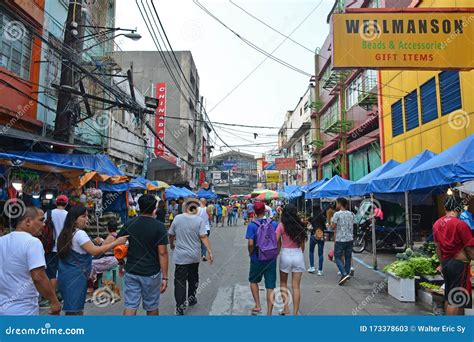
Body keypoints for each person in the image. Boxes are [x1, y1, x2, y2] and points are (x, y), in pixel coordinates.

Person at [56, 205, 127, 315]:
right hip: (76, 277)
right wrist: (116, 243)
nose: (87, 219)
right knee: (76, 312)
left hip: (66, 276)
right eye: (83, 216)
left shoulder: (65, 233)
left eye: (87, 216)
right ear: (74, 219)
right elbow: (95, 251)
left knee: (71, 310)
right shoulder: (80, 233)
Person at [0, 207, 60, 315]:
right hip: (23, 310)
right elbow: (38, 277)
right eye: (41, 220)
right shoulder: (33, 242)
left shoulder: (2, 241)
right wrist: (54, 301)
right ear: (28, 221)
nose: (44, 225)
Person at [117, 194, 169, 316]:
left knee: (130, 305)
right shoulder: (159, 227)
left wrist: (121, 263)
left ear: (139, 207)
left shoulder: (129, 224)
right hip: (151, 273)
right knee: (152, 306)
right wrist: (165, 277)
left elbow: (118, 246)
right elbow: (162, 253)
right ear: (154, 208)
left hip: (132, 271)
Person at [169, 199, 213, 315]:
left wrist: (172, 244)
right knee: (193, 278)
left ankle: (180, 306)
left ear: (185, 208)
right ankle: (192, 298)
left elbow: (171, 234)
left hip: (180, 256)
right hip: (194, 256)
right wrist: (209, 251)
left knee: (180, 281)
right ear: (196, 209)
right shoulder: (199, 221)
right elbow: (203, 237)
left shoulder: (177, 218)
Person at [433, 196, 474, 316]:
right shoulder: (460, 225)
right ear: (460, 208)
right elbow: (470, 248)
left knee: (451, 296)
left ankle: (459, 328)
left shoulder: (436, 224)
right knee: (455, 300)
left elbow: (437, 248)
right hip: (458, 265)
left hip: (446, 262)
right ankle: (451, 329)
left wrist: (442, 264)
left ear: (445, 207)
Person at [245, 201, 278, 316]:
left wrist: (251, 253)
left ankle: (258, 305)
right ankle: (269, 312)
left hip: (257, 258)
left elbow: (250, 243)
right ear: (265, 211)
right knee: (270, 286)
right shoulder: (274, 224)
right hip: (271, 258)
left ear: (254, 212)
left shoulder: (252, 225)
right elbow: (278, 240)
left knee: (253, 281)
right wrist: (276, 253)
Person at [276, 205, 307, 315]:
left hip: (285, 254)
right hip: (298, 254)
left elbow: (276, 240)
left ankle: (285, 308)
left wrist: (277, 252)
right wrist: (299, 253)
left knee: (283, 282)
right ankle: (295, 313)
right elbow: (302, 245)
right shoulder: (300, 225)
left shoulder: (281, 226)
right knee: (296, 286)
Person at [45, 195, 68, 290]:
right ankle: (62, 293)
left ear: (56, 202)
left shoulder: (48, 213)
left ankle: (52, 296)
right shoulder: (68, 214)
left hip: (50, 247)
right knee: (64, 271)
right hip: (64, 247)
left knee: (51, 273)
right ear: (66, 204)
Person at [330, 198, 354, 286]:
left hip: (340, 239)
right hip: (350, 239)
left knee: (337, 257)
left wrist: (330, 224)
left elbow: (333, 227)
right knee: (348, 257)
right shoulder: (351, 214)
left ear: (340, 204)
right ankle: (346, 275)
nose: (336, 205)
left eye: (336, 203)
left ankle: (344, 273)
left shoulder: (337, 214)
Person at [89, 219, 120, 286]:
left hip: (110, 260)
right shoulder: (116, 235)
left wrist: (99, 242)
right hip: (113, 259)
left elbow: (101, 249)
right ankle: (96, 282)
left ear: (107, 228)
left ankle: (91, 284)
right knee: (95, 262)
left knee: (90, 264)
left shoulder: (110, 237)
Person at [308, 206, 326, 275]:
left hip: (313, 235)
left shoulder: (312, 218)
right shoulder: (323, 218)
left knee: (311, 251)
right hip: (321, 236)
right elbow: (324, 227)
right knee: (320, 254)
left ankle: (312, 267)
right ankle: (320, 270)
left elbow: (309, 225)